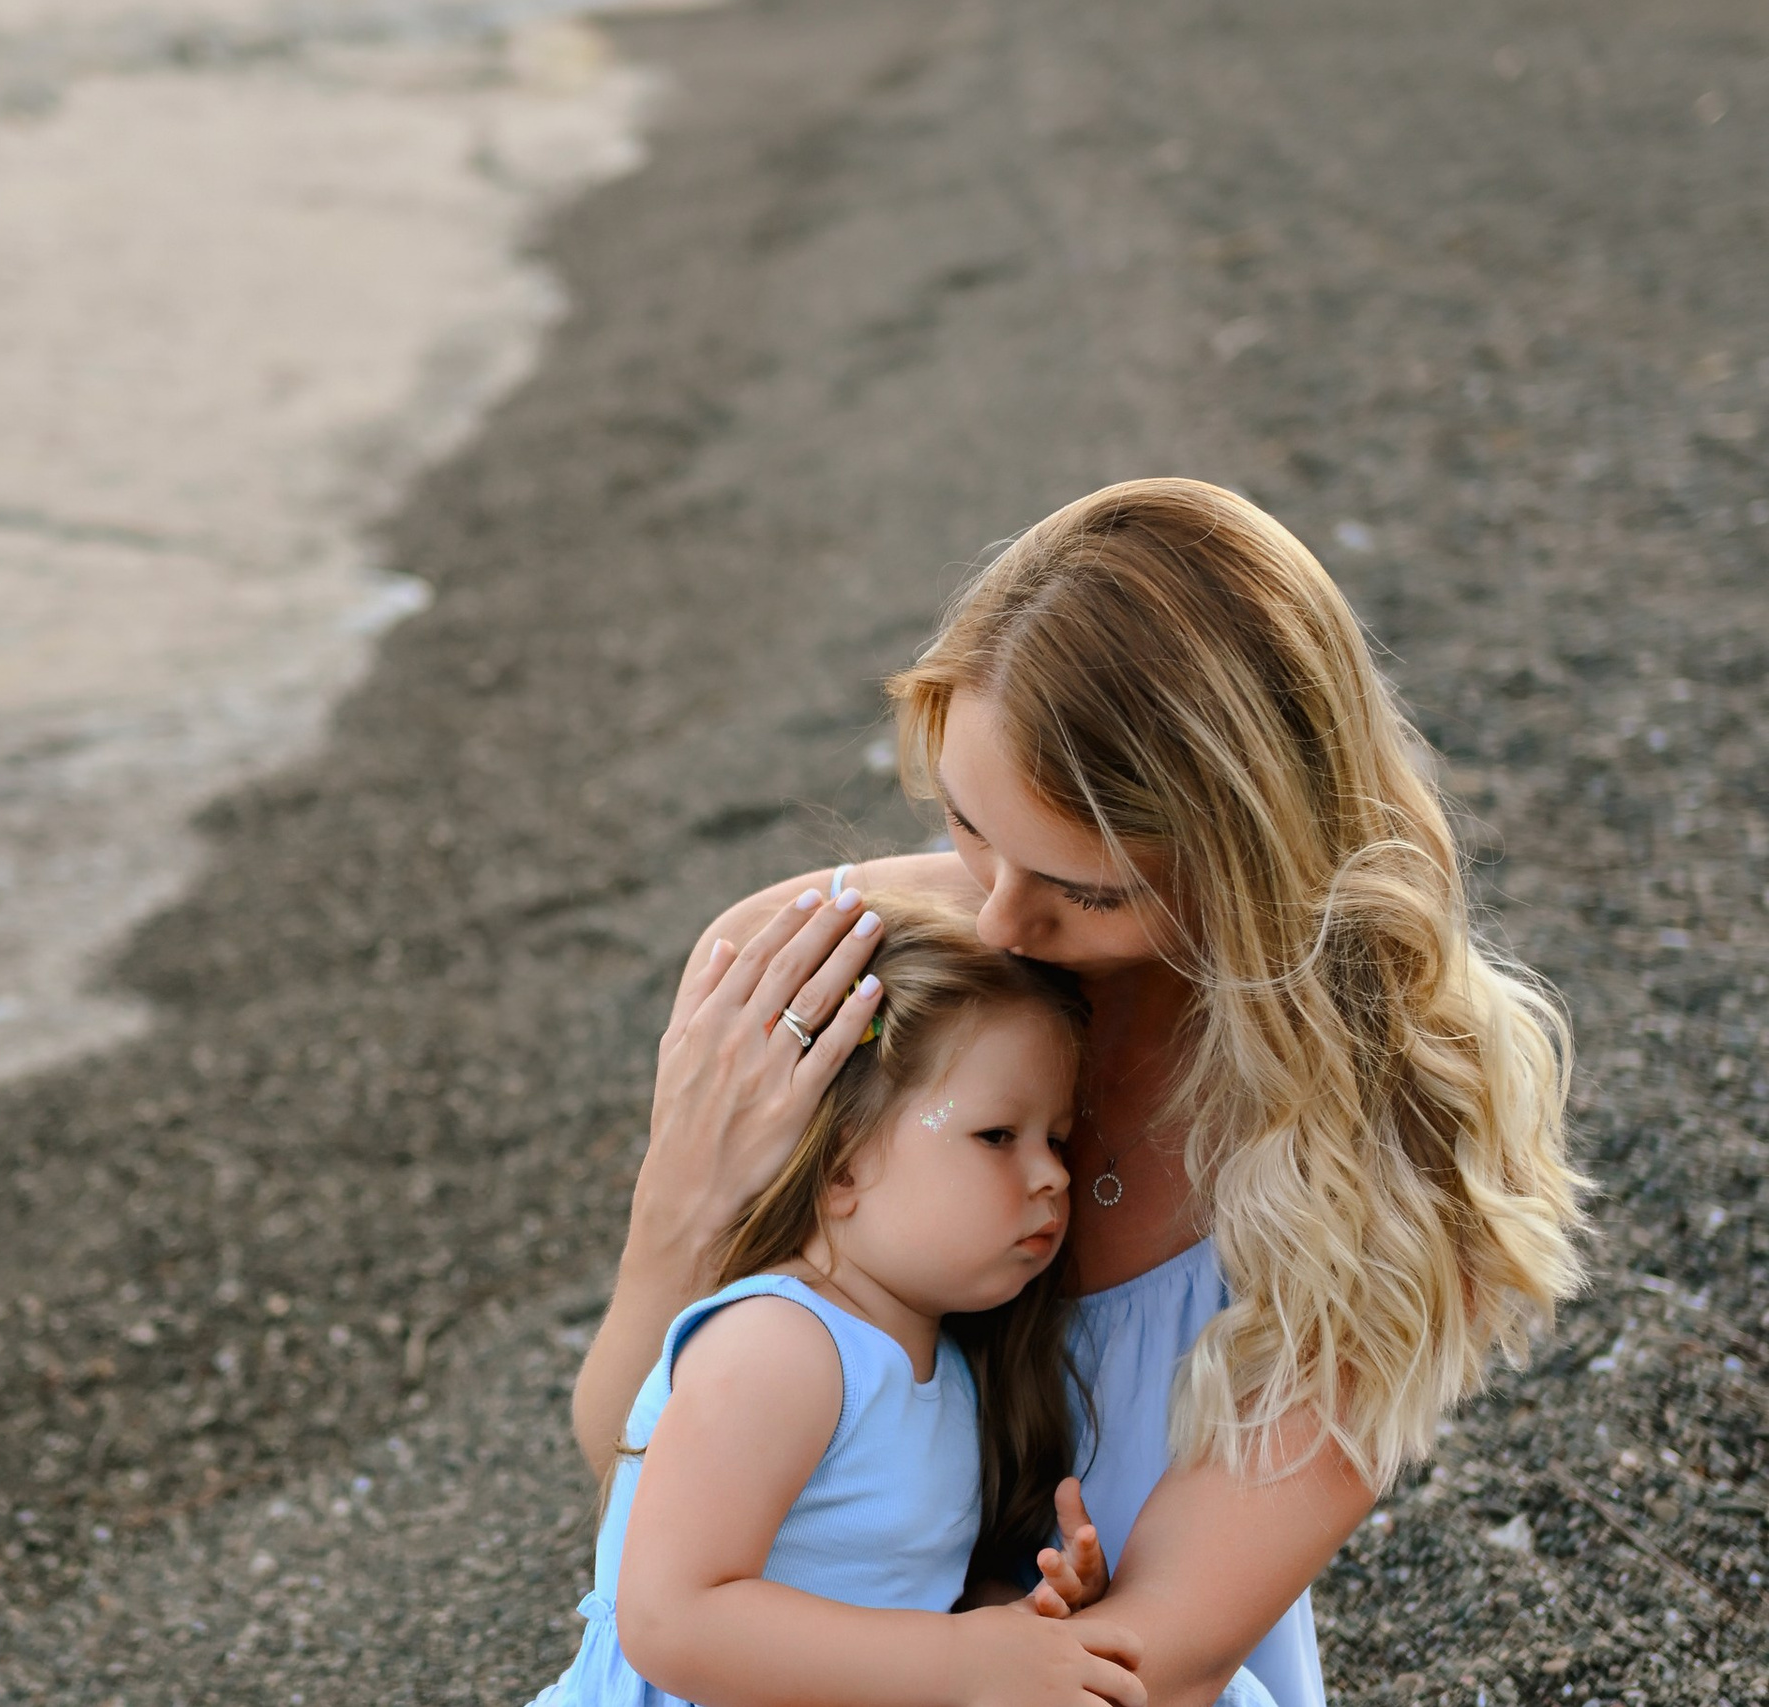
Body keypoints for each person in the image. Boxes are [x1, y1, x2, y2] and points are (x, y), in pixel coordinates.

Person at [571, 479, 1588, 1707]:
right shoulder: (821, 979)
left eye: (1088, 889)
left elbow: (1160, 1656)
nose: (998, 917)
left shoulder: (1390, 1146)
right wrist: (679, 1205)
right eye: (964, 824)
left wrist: (1012, 1625)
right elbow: (629, 1465)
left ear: (1252, 861)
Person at [535, 895, 1137, 1707]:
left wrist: (1019, 1621)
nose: (1053, 1175)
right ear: (843, 1161)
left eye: (1056, 1139)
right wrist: (962, 1659)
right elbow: (672, 1619)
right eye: (998, 1135)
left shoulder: (942, 1363)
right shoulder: (777, 1344)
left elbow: (878, 1613)